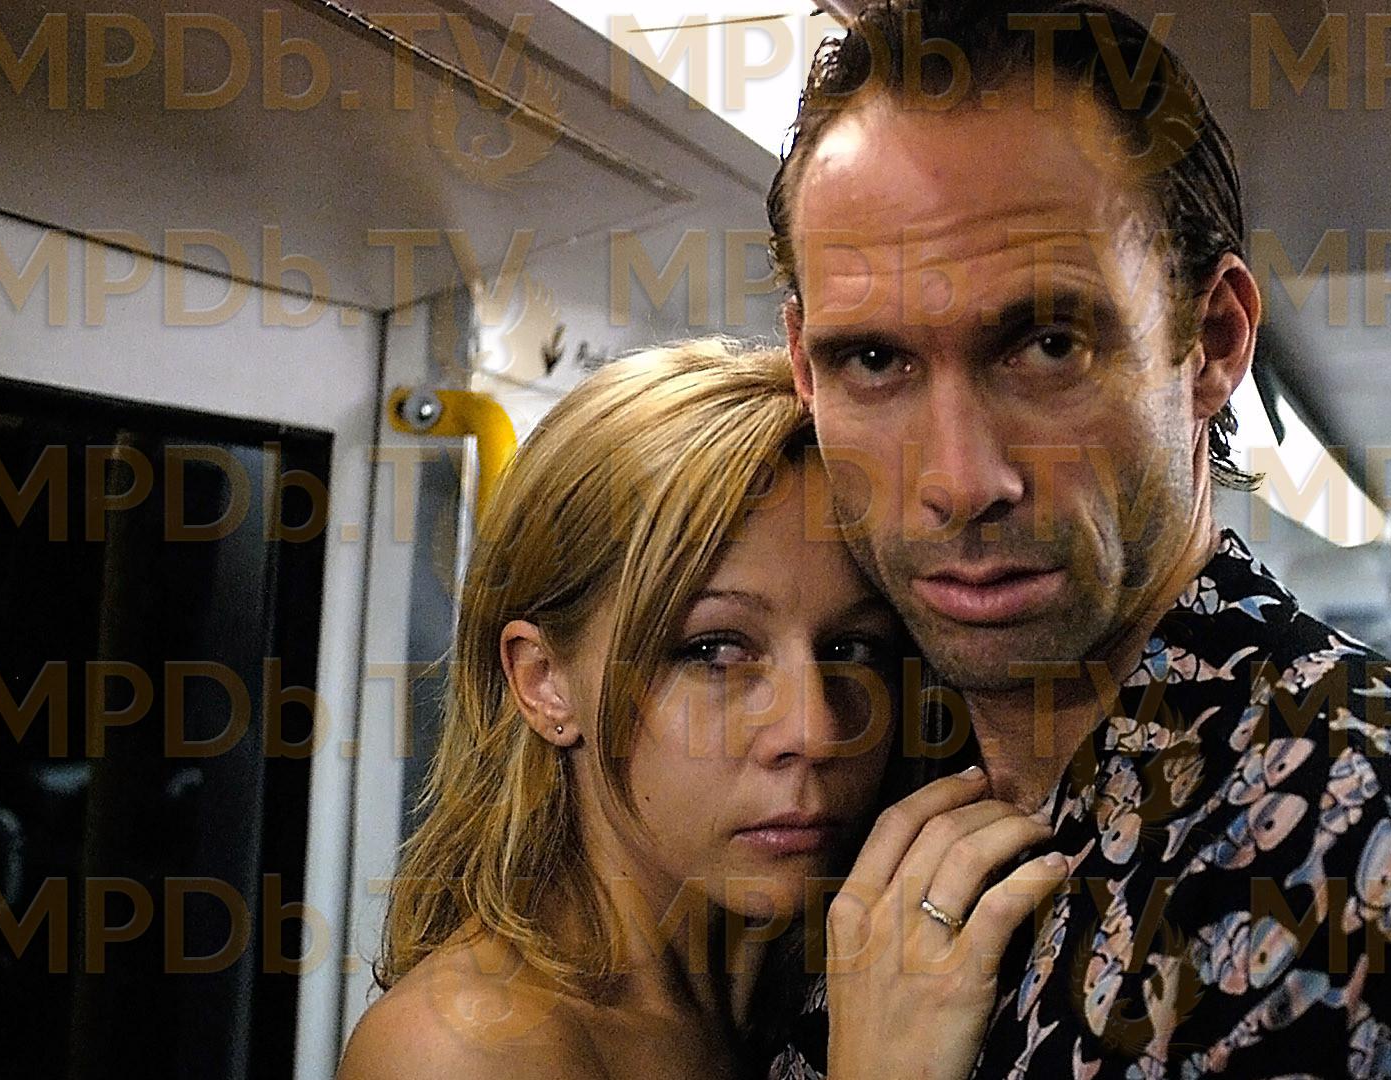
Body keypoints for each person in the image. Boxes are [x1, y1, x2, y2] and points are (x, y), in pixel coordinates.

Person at [765, 2, 1391, 1077]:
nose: (959, 482)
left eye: (1047, 345)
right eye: (874, 362)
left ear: (1212, 342)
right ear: (804, 369)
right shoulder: (847, 779)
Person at [336, 339, 1068, 1080]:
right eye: (714, 651)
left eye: (853, 649)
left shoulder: (821, 984)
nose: (815, 731)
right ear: (544, 681)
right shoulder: (461, 1049)